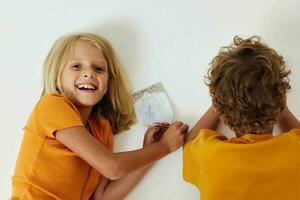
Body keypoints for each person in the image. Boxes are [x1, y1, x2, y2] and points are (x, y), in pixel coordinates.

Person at [11, 32, 188, 200]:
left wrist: (150, 150)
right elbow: (112, 167)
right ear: (58, 78)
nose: (89, 73)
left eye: (99, 69)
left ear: (107, 84)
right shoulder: (51, 106)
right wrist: (164, 147)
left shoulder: (101, 129)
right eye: (76, 66)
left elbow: (102, 196)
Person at [183, 36, 300, 200]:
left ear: (223, 115)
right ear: (281, 101)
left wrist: (218, 104)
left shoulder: (208, 157)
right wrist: (279, 105)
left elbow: (189, 143)